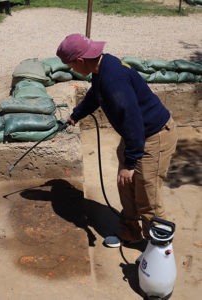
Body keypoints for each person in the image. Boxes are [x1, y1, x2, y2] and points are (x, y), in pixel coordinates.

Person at [56, 33, 178, 248]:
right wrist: (76, 115)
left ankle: (157, 252)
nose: (72, 70)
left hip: (154, 135)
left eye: (70, 65)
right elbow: (95, 95)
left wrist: (130, 163)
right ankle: (130, 233)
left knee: (148, 197)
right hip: (138, 135)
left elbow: (132, 119)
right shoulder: (101, 67)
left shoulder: (114, 79)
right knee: (126, 186)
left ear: (81, 61)